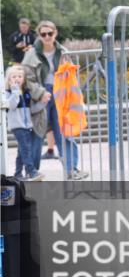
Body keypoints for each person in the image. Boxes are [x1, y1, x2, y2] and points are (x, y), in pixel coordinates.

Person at [20, 20, 87, 179]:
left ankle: (72, 170)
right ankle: (32, 171)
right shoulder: (31, 54)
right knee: (37, 134)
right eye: (43, 34)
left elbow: (71, 75)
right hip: (41, 96)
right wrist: (40, 93)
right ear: (39, 35)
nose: (47, 36)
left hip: (61, 96)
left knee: (65, 132)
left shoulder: (62, 51)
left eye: (50, 33)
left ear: (55, 33)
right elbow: (26, 78)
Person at [4, 65, 43, 181]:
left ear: (23, 78)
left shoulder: (25, 92)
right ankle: (31, 172)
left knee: (21, 151)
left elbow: (31, 109)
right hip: (17, 126)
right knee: (26, 149)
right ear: (9, 79)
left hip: (27, 126)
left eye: (20, 76)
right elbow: (12, 105)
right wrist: (15, 91)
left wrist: (43, 103)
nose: (17, 78)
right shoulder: (8, 92)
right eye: (14, 76)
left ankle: (18, 174)